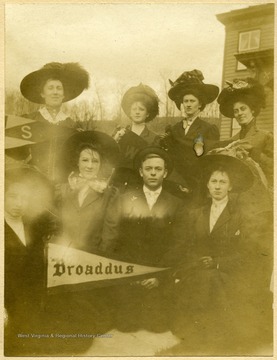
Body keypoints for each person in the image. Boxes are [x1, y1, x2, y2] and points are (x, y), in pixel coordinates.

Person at [170, 154, 273, 355]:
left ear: (230, 187)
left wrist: (218, 263)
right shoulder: (197, 213)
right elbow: (189, 247)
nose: (217, 186)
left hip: (230, 273)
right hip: (200, 270)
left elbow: (249, 252)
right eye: (214, 181)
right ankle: (198, 335)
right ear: (207, 185)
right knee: (200, 280)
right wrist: (195, 263)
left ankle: (220, 338)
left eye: (223, 182)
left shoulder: (241, 215)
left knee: (213, 280)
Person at [113, 146, 189, 333]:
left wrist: (158, 275)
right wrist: (132, 272)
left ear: (165, 173)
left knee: (157, 326)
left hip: (159, 275)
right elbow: (118, 240)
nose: (153, 173)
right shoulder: (125, 199)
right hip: (131, 274)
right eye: (148, 169)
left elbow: (179, 244)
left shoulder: (176, 203)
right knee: (125, 326)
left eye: (158, 169)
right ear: (141, 172)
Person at [4, 166, 56, 356]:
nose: (19, 203)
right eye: (13, 196)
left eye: (25, 198)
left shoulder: (33, 226)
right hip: (7, 305)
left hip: (31, 303)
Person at [8, 62, 89, 180]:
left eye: (59, 88)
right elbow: (11, 150)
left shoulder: (72, 125)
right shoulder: (28, 119)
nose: (55, 92)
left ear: (63, 95)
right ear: (42, 93)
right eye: (50, 88)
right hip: (34, 182)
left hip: (63, 183)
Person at [160, 69, 220, 191]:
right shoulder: (173, 129)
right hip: (174, 183)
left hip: (197, 185)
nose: (188, 104)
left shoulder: (208, 129)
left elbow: (209, 162)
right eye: (185, 101)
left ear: (200, 104)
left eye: (192, 101)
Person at [217, 78, 273, 187]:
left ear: (252, 109)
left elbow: (273, 168)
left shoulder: (265, 136)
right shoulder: (231, 141)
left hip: (259, 192)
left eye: (243, 109)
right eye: (236, 111)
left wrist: (255, 153)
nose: (239, 113)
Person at [112, 83, 160, 190]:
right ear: (130, 112)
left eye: (141, 109)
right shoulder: (120, 134)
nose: (137, 112)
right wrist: (115, 141)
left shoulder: (154, 138)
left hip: (142, 185)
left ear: (147, 114)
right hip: (118, 184)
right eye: (134, 109)